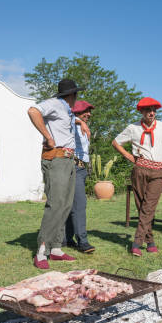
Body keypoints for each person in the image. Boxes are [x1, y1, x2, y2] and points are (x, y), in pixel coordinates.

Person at [27, 79, 89, 269]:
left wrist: (81, 122)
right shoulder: (54, 104)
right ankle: (42, 251)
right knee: (55, 204)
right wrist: (48, 137)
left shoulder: (67, 110)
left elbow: (69, 119)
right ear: (73, 95)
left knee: (65, 204)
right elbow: (33, 111)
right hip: (56, 158)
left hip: (69, 160)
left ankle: (56, 248)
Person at [112, 97, 162, 256]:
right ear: (141, 112)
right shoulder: (133, 128)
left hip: (158, 171)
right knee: (141, 206)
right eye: (148, 110)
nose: (151, 113)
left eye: (154, 110)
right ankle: (150, 241)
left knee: (148, 207)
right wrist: (129, 156)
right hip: (140, 169)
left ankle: (137, 242)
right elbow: (115, 142)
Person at [61, 100, 95, 253]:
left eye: (89, 111)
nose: (88, 114)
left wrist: (81, 121)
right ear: (76, 112)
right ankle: (83, 241)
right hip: (73, 166)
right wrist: (79, 121)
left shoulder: (79, 125)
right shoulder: (69, 124)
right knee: (80, 205)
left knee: (71, 205)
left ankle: (66, 239)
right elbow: (65, 116)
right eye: (84, 111)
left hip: (81, 168)